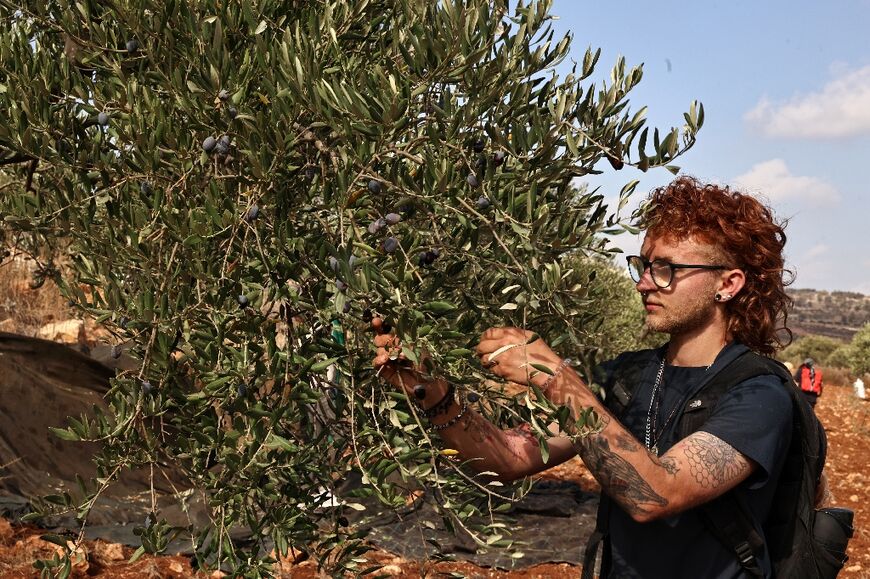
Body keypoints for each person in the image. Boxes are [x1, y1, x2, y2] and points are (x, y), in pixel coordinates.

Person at [373, 176, 828, 578]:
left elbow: (655, 494)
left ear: (727, 284)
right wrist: (427, 390)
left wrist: (554, 375)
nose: (644, 283)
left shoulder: (758, 394)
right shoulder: (626, 377)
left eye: (667, 269)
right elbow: (509, 459)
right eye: (644, 266)